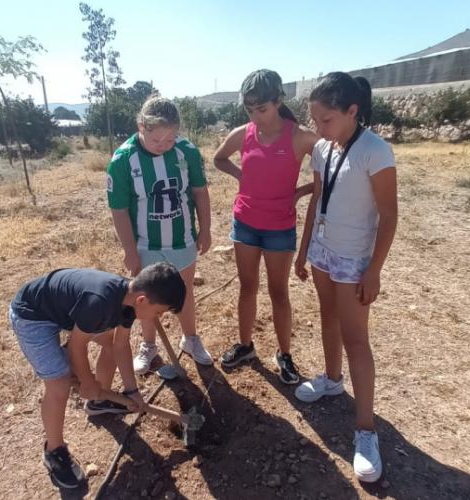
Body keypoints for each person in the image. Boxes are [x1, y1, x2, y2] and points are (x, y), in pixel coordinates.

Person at [294, 72, 398, 483]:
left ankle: (366, 431)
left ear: (352, 111)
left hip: (355, 258)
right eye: (315, 120)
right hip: (322, 251)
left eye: (326, 120)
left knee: (357, 338)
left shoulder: (376, 151)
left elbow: (389, 216)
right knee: (327, 317)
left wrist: (374, 270)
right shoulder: (323, 148)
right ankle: (332, 380)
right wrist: (304, 251)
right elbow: (319, 197)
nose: (318, 129)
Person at [9, 263, 185, 489]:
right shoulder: (99, 302)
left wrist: (132, 391)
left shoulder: (129, 302)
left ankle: (99, 403)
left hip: (63, 311)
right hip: (32, 316)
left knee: (110, 340)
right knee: (60, 385)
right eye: (158, 312)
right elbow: (76, 346)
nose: (157, 317)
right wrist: (87, 381)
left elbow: (120, 345)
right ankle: (54, 451)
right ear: (142, 300)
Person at [214, 69, 318, 384]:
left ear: (278, 102)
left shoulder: (299, 137)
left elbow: (333, 170)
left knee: (278, 292)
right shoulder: (242, 133)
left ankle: (284, 355)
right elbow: (219, 159)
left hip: (279, 228)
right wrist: (239, 176)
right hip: (245, 223)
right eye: (250, 110)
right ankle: (245, 346)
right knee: (247, 287)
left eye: (262, 109)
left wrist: (301, 192)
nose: (256, 116)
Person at [106, 96, 213, 374]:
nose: (164, 145)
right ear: (141, 126)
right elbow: (118, 210)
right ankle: (149, 346)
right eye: (157, 140)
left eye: (170, 139)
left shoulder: (186, 151)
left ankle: (191, 340)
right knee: (146, 299)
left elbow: (200, 193)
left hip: (182, 240)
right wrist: (130, 250)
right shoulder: (122, 160)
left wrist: (206, 229)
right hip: (145, 244)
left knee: (185, 292)